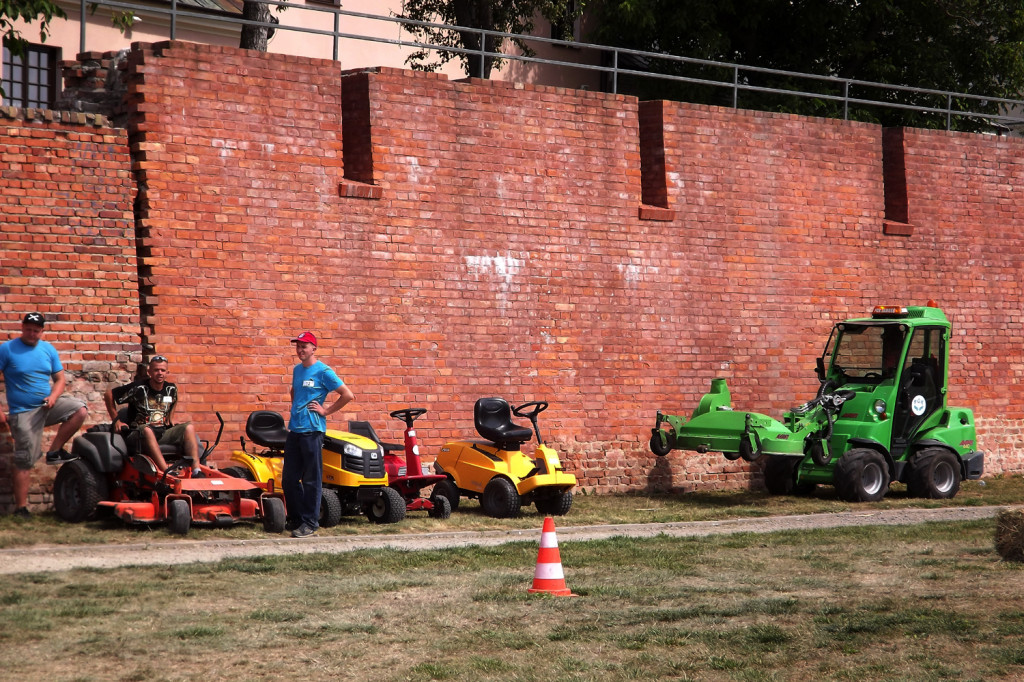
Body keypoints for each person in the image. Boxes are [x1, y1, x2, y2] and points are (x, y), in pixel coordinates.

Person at [0, 312, 88, 518]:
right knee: (25, 459)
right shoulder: (7, 349)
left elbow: (60, 379)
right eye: (28, 329)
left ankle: (54, 451)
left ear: (42, 331)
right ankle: (21, 508)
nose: (32, 333)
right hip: (23, 413)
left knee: (79, 409)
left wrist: (54, 397)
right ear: (22, 328)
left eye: (36, 330)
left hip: (46, 407)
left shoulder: (48, 349)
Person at [284, 331, 353, 538]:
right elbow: (294, 392)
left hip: (312, 432)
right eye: (298, 346)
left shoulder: (323, 371)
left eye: (304, 346)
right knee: (289, 479)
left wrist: (325, 411)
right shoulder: (297, 370)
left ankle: (310, 523)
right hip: (295, 430)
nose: (300, 350)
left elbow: (347, 395)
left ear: (314, 348)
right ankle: (296, 519)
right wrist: (297, 408)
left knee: (311, 479)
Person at [103, 355, 200, 474]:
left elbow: (174, 400)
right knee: (147, 430)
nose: (160, 373)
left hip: (161, 432)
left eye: (163, 370)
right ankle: (166, 471)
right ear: (149, 372)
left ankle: (196, 470)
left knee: (189, 427)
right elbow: (109, 395)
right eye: (156, 370)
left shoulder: (171, 388)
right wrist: (116, 420)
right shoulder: (138, 388)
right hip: (138, 434)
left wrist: (170, 418)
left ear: (167, 372)